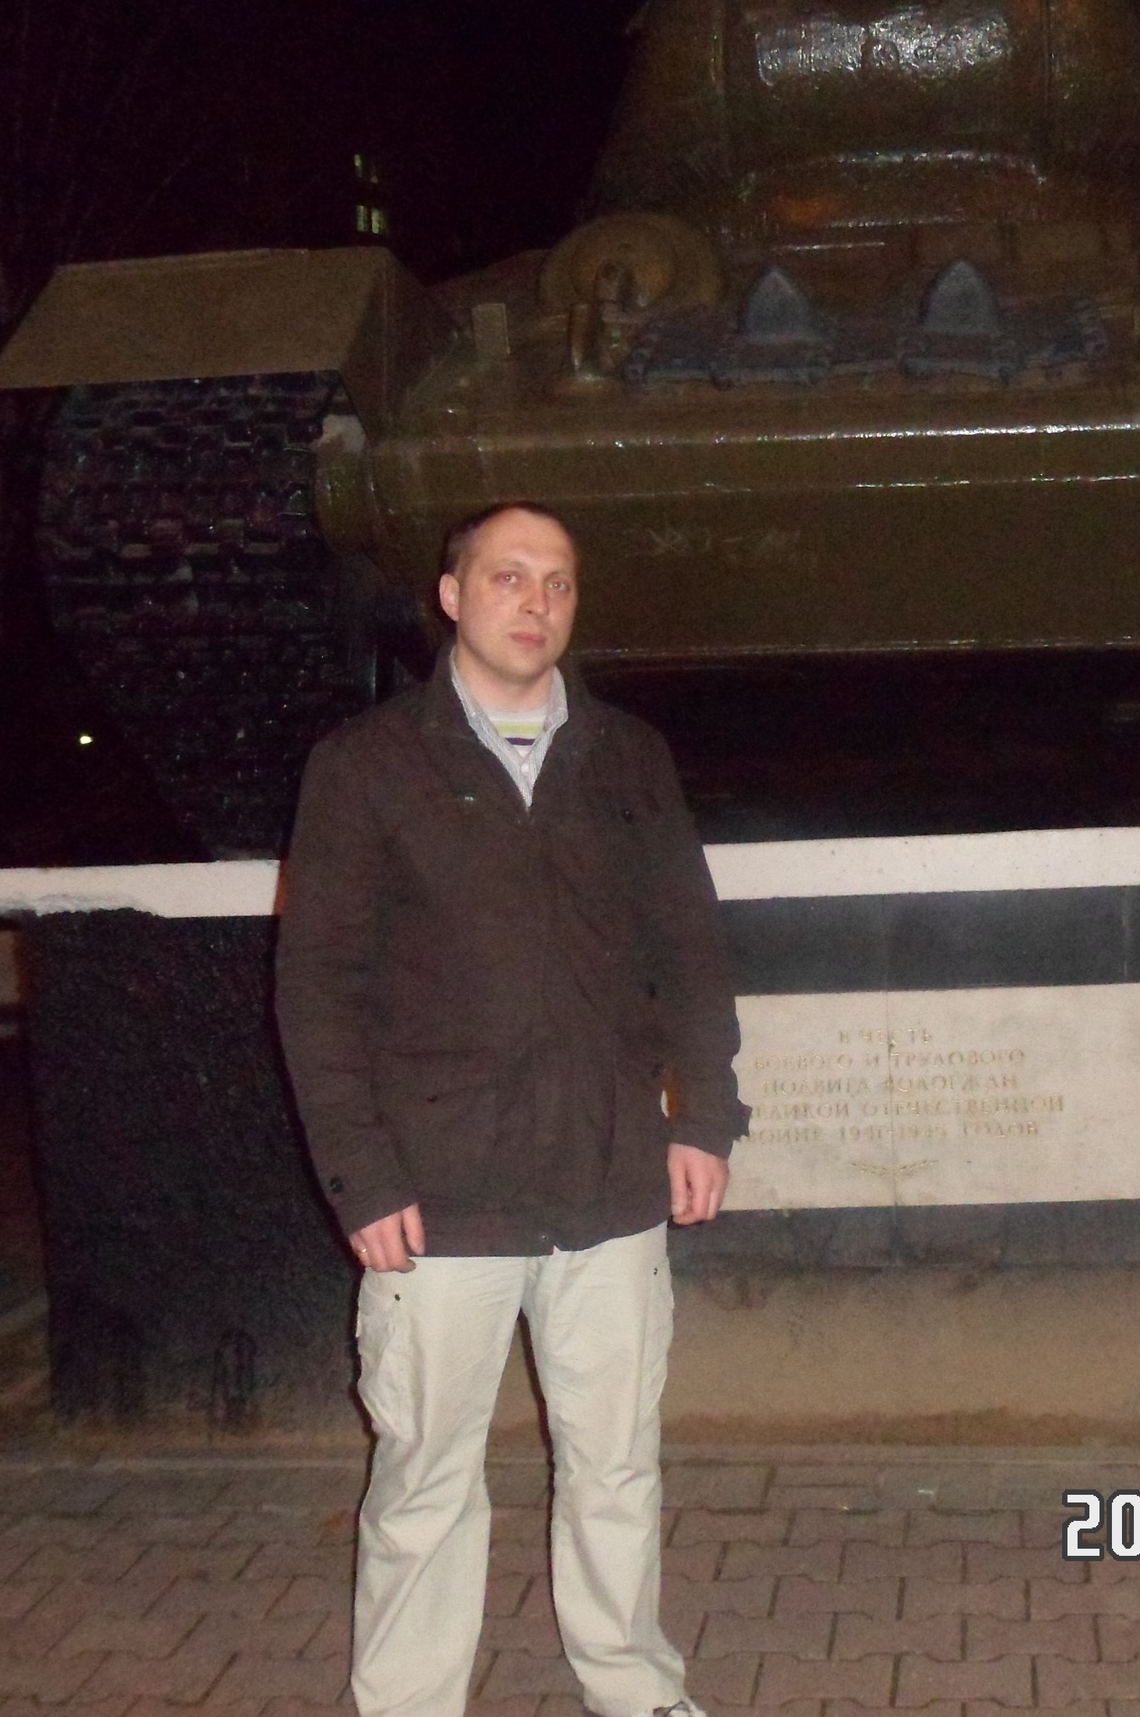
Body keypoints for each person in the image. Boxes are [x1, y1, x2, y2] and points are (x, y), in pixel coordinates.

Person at [275, 500, 748, 1717]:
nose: (535, 602)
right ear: (451, 596)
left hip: (609, 1178)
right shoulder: (368, 765)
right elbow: (317, 987)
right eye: (507, 576)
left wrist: (704, 1114)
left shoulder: (627, 757)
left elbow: (689, 947)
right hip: (440, 1195)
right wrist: (361, 1176)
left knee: (616, 1466)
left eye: (557, 582)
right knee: (425, 1479)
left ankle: (633, 1688)